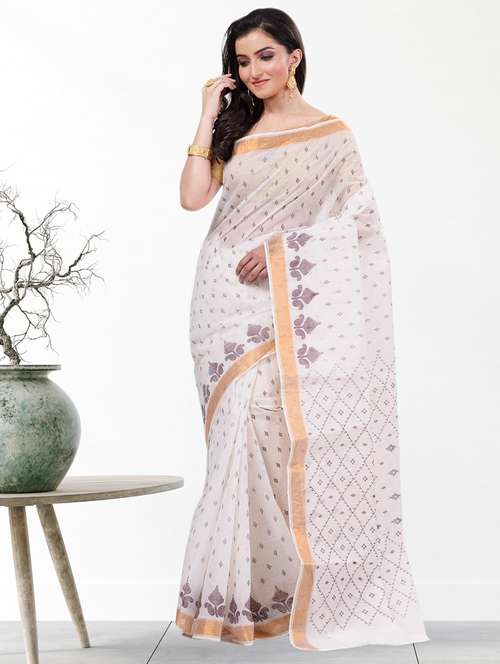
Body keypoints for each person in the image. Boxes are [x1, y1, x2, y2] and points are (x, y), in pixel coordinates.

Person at [175, 7, 429, 652]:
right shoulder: (236, 130)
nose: (253, 70)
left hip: (286, 301)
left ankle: (293, 596)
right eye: (241, 61)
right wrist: (207, 115)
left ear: (294, 55)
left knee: (275, 439)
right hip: (220, 302)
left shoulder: (332, 134)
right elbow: (193, 197)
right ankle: (238, 604)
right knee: (232, 442)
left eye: (265, 56)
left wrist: (283, 251)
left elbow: (360, 225)